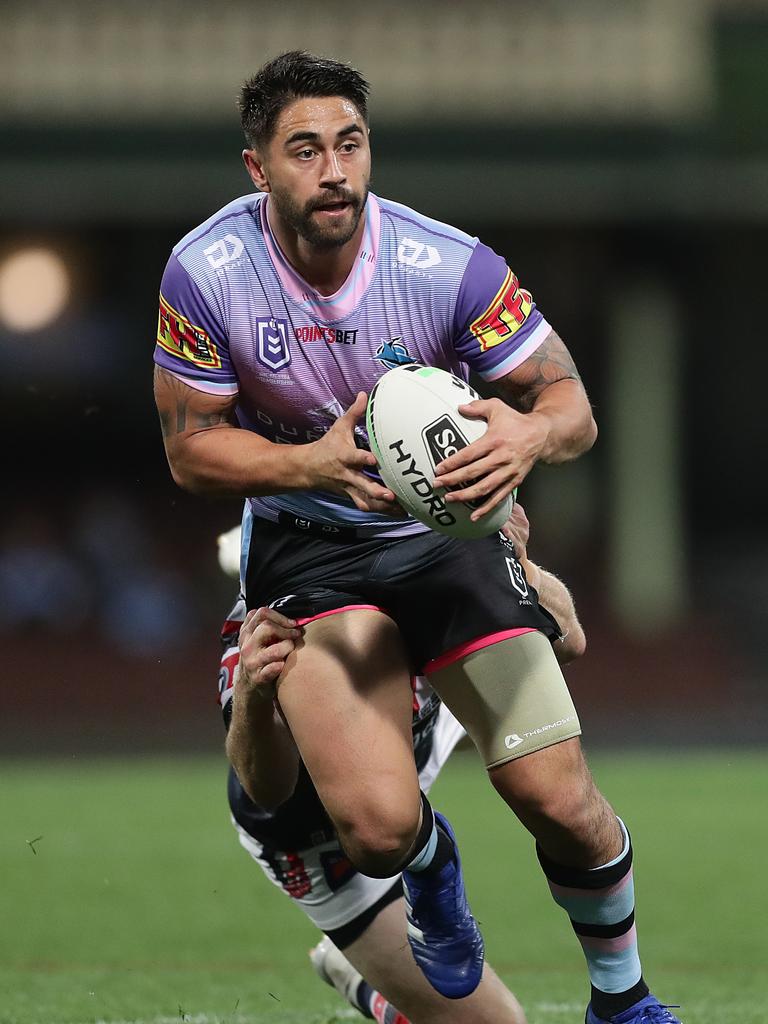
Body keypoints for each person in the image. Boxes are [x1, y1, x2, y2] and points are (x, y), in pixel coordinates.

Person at [153, 50, 682, 1023]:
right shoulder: (206, 274)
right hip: (310, 551)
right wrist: (311, 463)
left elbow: (571, 406)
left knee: (561, 798)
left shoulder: (446, 265)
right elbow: (190, 452)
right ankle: (431, 864)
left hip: (443, 538)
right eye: (305, 151)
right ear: (257, 169)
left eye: (350, 145)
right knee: (385, 832)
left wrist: (527, 433)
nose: (335, 172)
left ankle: (627, 1000)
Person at [219, 505, 583, 1024]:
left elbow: (569, 640)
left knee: (524, 726)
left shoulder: (434, 551)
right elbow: (265, 788)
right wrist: (254, 694)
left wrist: (515, 566)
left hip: (413, 743)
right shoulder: (279, 619)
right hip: (320, 838)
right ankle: (359, 975)